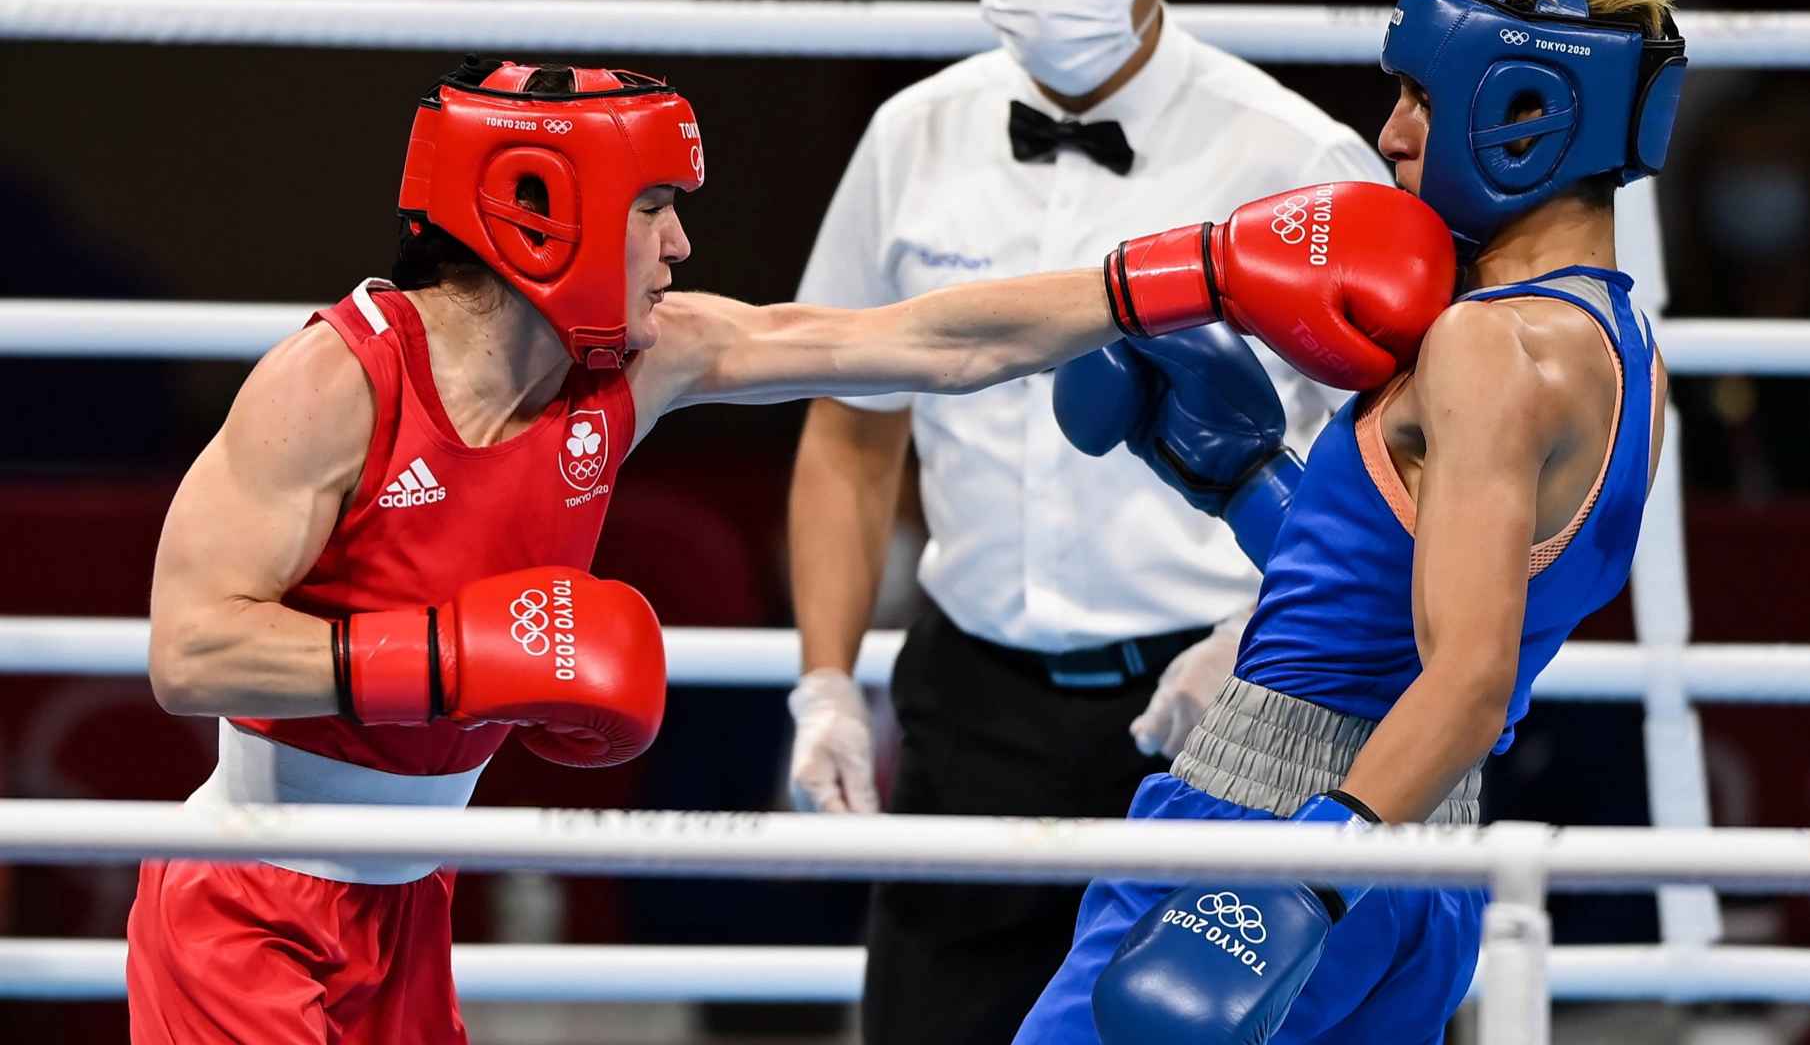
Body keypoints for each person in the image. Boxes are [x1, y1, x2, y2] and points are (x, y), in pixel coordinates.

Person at [124, 56, 1451, 1043]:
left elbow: (925, 341)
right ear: (542, 208)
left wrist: (1189, 273)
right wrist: (453, 658)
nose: (680, 242)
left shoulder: (639, 364)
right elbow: (190, 650)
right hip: (248, 910)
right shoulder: (337, 380)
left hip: (407, 907)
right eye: (653, 206)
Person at [1022, 0, 1686, 1043]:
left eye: (1421, 97)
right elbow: (1401, 600)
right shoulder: (1624, 354)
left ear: (1525, 110)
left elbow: (1468, 677)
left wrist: (1301, 879)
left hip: (1292, 823)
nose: (1391, 134)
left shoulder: (1485, 345)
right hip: (1418, 857)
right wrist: (1241, 481)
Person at [782, 0, 1391, 1037]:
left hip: (1219, 701)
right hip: (969, 701)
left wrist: (1254, 637)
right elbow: (849, 433)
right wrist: (825, 684)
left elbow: (1386, 463)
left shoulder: (1298, 162)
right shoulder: (910, 137)